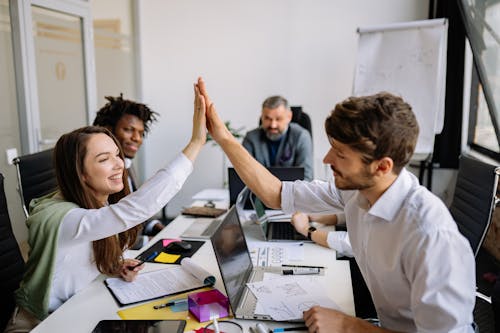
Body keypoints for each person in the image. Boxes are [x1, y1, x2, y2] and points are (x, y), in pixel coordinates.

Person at [197, 77, 476, 333]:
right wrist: (223, 136)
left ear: (382, 166)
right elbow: (276, 193)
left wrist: (348, 327)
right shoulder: (356, 193)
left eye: (340, 154)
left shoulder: (430, 236)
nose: (326, 159)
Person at [4, 82, 207, 333]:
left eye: (116, 155)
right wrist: (197, 142)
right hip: (39, 325)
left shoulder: (95, 204)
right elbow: (134, 210)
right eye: (103, 159)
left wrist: (112, 268)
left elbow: (76, 259)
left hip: (77, 311)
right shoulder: (62, 217)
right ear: (81, 174)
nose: (119, 164)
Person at [93, 94, 164, 246]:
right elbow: (103, 231)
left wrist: (156, 227)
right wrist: (147, 241)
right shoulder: (97, 174)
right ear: (108, 130)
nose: (137, 138)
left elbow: (134, 208)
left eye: (140, 133)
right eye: (128, 130)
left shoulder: (126, 163)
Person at [242, 95, 313, 180]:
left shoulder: (301, 137)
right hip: (257, 192)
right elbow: (243, 173)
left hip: (292, 192)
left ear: (289, 117)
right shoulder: (251, 138)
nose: (273, 125)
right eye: (267, 118)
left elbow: (306, 177)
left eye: (278, 119)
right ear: (262, 117)